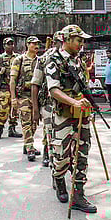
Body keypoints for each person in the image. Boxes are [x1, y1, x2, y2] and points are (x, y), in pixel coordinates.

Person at [45, 24, 97, 213]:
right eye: (78, 40)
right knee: (62, 156)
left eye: (83, 41)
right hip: (63, 115)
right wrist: (72, 102)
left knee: (82, 153)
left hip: (81, 115)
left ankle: (78, 194)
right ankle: (58, 178)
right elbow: (54, 90)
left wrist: (87, 103)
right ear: (66, 40)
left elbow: (84, 85)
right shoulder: (54, 60)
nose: (81, 44)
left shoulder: (79, 61)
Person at [31, 31, 64, 167]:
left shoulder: (71, 58)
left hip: (65, 102)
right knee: (49, 129)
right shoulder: (44, 59)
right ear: (55, 42)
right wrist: (35, 108)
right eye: (59, 42)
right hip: (48, 102)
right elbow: (35, 84)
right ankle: (47, 152)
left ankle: (59, 157)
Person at [10, 36, 40, 161]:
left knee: (34, 123)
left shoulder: (40, 61)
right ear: (28, 44)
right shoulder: (19, 60)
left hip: (36, 97)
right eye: (34, 44)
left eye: (38, 44)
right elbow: (12, 80)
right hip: (23, 96)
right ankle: (30, 147)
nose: (36, 46)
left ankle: (27, 144)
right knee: (26, 122)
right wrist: (13, 98)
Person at [0, 37, 22, 140]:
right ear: (4, 46)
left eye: (12, 44)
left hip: (15, 87)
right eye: (8, 44)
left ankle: (12, 129)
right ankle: (0, 129)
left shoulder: (17, 57)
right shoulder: (0, 57)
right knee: (3, 109)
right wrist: (0, 72)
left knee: (14, 109)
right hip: (4, 87)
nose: (11, 46)